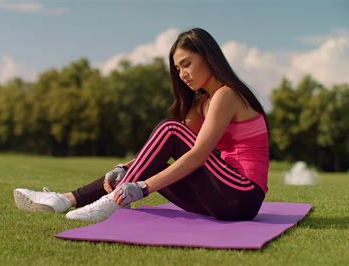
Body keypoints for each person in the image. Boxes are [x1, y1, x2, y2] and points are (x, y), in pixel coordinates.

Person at [14, 27, 269, 222]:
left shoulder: (227, 94)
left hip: (242, 194)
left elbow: (198, 154)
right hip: (223, 199)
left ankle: (113, 201)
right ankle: (65, 199)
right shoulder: (202, 103)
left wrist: (142, 188)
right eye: (178, 69)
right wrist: (126, 168)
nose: (182, 74)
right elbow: (160, 151)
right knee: (154, 155)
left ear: (208, 57)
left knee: (170, 129)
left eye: (187, 64)